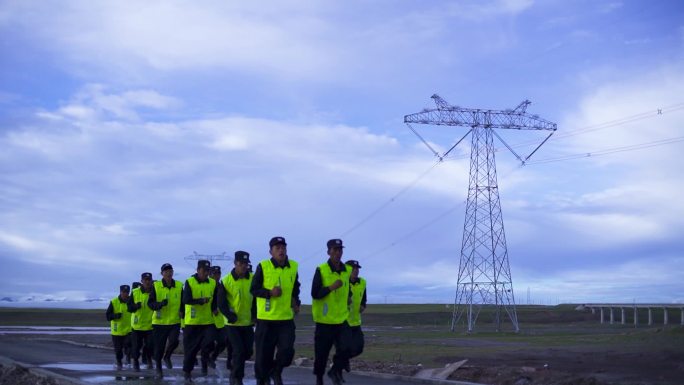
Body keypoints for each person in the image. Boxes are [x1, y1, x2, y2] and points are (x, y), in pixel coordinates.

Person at [250, 236, 301, 385]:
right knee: (262, 357)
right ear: (270, 251)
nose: (281, 250)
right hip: (266, 320)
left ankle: (276, 371)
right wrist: (270, 293)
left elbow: (295, 288)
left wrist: (295, 301)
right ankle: (262, 380)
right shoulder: (263, 266)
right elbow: (254, 289)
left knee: (287, 352)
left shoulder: (293, 266)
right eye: (277, 248)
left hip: (285, 319)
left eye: (283, 247)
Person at [311, 239, 352, 385]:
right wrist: (331, 287)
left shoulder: (347, 270)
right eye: (334, 250)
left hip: (341, 319)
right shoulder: (321, 269)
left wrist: (349, 297)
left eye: (340, 250)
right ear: (328, 252)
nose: (338, 253)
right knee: (321, 354)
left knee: (348, 347)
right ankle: (319, 379)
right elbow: (315, 293)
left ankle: (334, 370)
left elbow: (348, 289)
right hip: (324, 321)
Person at [218, 251, 256, 385]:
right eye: (241, 264)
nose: (244, 266)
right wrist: (229, 316)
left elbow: (256, 298)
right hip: (232, 324)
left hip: (247, 323)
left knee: (248, 352)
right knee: (239, 351)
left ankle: (234, 364)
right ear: (235, 264)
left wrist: (255, 315)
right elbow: (221, 303)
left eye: (246, 264)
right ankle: (236, 377)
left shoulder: (253, 278)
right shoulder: (226, 281)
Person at [182, 259, 219, 382]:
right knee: (191, 351)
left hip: (208, 322)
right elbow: (186, 299)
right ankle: (187, 373)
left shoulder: (213, 283)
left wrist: (215, 308)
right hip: (192, 323)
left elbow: (215, 300)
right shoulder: (190, 282)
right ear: (198, 270)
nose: (206, 273)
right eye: (204, 270)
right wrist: (200, 301)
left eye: (208, 271)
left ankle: (207, 357)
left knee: (210, 341)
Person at [148, 263, 184, 379]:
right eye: (166, 271)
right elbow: (150, 304)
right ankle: (159, 369)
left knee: (174, 342)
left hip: (174, 321)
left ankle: (167, 356)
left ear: (173, 272)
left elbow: (183, 302)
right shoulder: (156, 286)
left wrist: (182, 311)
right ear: (162, 273)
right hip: (159, 323)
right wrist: (160, 304)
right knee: (159, 347)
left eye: (170, 271)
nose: (168, 273)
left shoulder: (179, 285)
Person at [128, 272, 155, 371]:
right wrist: (135, 306)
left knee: (150, 345)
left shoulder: (155, 292)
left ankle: (148, 359)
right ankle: (135, 361)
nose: (147, 282)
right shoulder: (135, 292)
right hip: (137, 325)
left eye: (149, 280)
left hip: (150, 325)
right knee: (136, 346)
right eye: (145, 280)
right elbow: (129, 308)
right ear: (142, 281)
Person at [209, 265, 231, 371]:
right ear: (210, 275)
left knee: (223, 342)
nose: (216, 276)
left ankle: (213, 357)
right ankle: (205, 364)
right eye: (214, 274)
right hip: (208, 319)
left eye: (218, 274)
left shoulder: (222, 286)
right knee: (208, 343)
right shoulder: (207, 285)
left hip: (220, 320)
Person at [346, 260, 366, 372]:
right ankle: (342, 361)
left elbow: (364, 297)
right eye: (354, 269)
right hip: (343, 321)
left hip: (356, 321)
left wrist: (363, 305)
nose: (356, 271)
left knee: (359, 347)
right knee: (345, 346)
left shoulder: (362, 282)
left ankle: (342, 359)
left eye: (357, 269)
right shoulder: (343, 282)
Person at [106, 284, 132, 370]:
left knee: (129, 346)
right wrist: (115, 316)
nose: (125, 294)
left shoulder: (131, 301)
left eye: (127, 292)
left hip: (129, 330)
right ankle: (119, 362)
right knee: (118, 350)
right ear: (120, 292)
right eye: (124, 292)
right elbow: (108, 316)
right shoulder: (114, 302)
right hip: (117, 331)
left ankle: (128, 358)